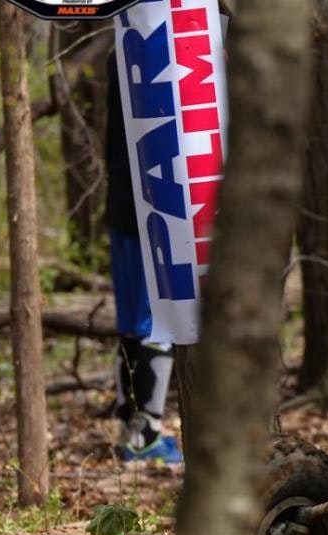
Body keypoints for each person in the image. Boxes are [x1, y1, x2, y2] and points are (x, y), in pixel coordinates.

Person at [103, 53, 182, 465]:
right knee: (156, 324)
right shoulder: (161, 48)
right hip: (156, 208)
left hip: (122, 203)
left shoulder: (121, 46)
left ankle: (131, 432)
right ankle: (147, 432)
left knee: (135, 324)